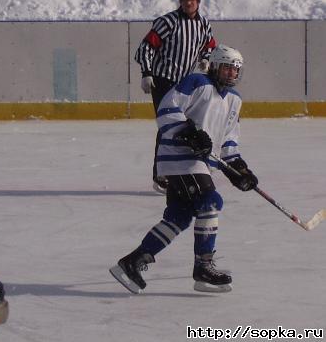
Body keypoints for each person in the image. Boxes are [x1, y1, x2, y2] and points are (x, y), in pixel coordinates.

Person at [110, 44, 258, 293]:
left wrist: (239, 170)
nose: (232, 73)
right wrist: (189, 133)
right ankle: (203, 266)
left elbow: (228, 142)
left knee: (179, 216)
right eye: (228, 67)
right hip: (179, 156)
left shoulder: (234, 100)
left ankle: (132, 263)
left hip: (201, 164)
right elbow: (167, 108)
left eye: (236, 69)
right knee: (209, 201)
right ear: (215, 66)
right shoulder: (197, 82)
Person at [134, 0, 216, 194]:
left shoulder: (203, 24)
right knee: (169, 125)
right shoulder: (168, 22)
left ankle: (181, 171)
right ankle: (161, 175)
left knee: (186, 126)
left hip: (184, 84)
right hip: (163, 81)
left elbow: (210, 45)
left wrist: (206, 59)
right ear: (180, 0)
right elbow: (145, 47)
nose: (189, 2)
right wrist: (147, 73)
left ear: (198, 1)